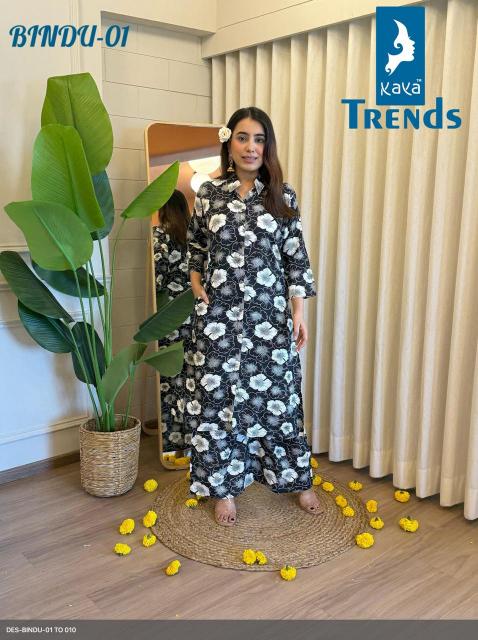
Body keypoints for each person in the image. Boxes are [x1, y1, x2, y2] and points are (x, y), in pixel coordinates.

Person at [185, 106, 323, 526]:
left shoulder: (282, 195)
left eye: (259, 139)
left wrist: (298, 313)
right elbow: (196, 244)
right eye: (243, 138)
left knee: (279, 400)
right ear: (230, 143)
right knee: (218, 401)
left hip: (269, 317)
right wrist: (195, 281)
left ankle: (297, 479)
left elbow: (295, 258)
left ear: (268, 146)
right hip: (219, 319)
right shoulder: (210, 194)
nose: (251, 147)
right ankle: (224, 489)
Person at [153, 189, 193, 454]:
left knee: (170, 380)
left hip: (170, 318)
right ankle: (193, 441)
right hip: (196, 317)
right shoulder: (196, 237)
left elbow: (156, 280)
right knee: (192, 379)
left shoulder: (160, 238)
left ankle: (171, 442)